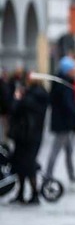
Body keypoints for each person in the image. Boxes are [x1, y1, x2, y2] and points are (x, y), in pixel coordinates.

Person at [45, 56, 75, 187]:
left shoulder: (64, 81)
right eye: (73, 69)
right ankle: (48, 176)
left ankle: (72, 177)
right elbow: (67, 103)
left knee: (69, 151)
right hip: (63, 123)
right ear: (68, 70)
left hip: (65, 123)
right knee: (56, 150)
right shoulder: (63, 84)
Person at [8, 73, 48, 204]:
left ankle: (33, 194)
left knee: (28, 165)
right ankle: (23, 193)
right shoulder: (39, 95)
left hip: (27, 136)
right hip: (30, 136)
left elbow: (14, 109)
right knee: (22, 165)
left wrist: (17, 97)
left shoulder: (31, 97)